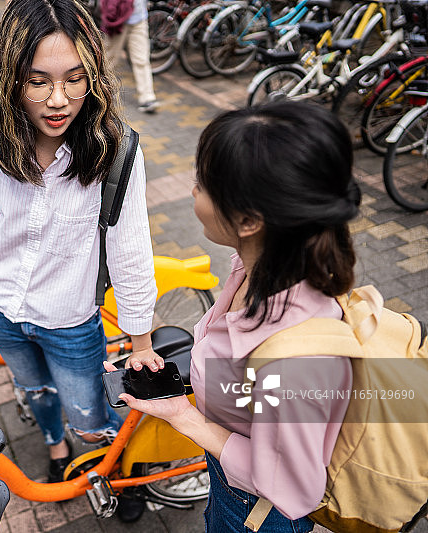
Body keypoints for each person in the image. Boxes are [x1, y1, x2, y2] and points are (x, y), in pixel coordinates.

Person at [0, 0, 158, 491]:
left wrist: (140, 339)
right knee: (34, 390)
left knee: (91, 416)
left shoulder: (115, 153)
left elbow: (130, 250)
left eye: (75, 79)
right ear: (12, 78)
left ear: (93, 74)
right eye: (38, 82)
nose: (59, 99)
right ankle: (54, 447)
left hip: (70, 321)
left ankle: (118, 469)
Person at [110, 100, 361, 532]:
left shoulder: (297, 357)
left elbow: (294, 486)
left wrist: (186, 418)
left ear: (249, 221)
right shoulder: (253, 267)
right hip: (232, 487)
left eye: (204, 183)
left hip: (257, 513)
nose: (193, 191)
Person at [102, 0, 159, 113]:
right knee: (109, 61)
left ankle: (147, 98)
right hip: (118, 19)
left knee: (141, 60)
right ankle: (103, 95)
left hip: (139, 19)